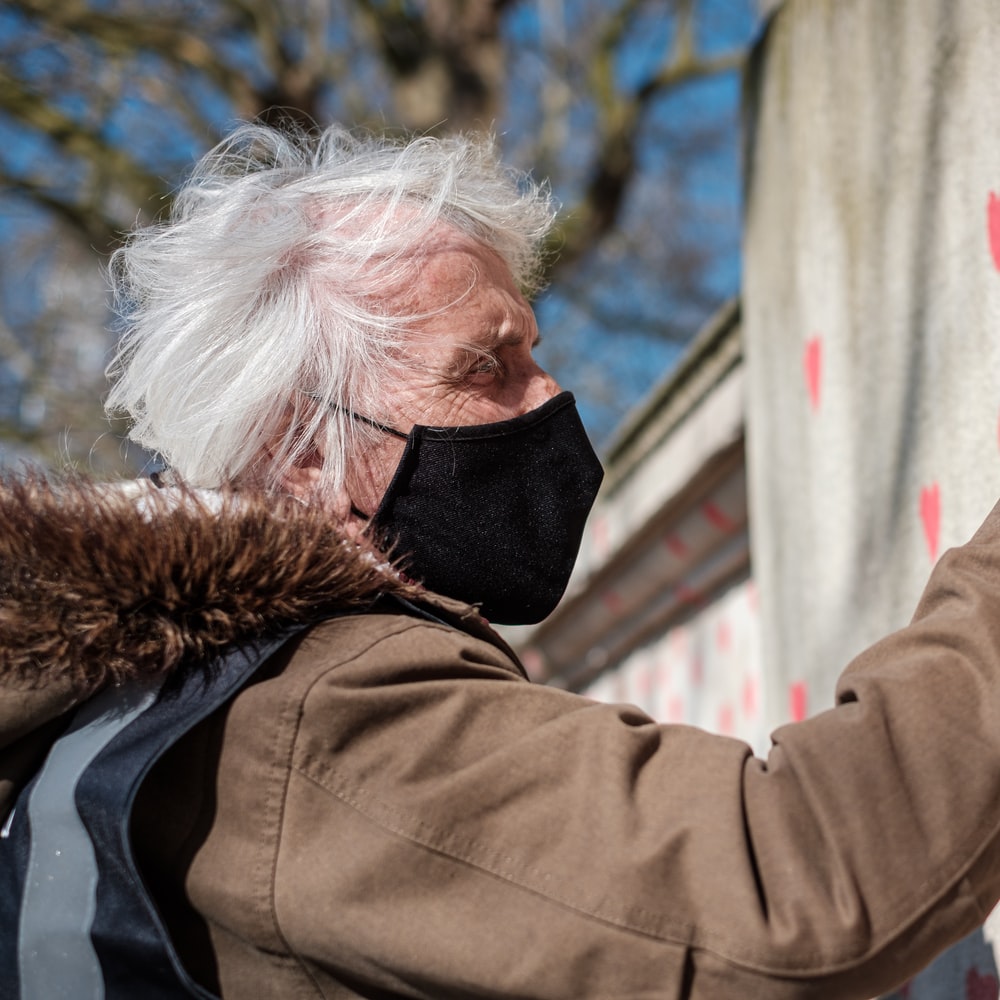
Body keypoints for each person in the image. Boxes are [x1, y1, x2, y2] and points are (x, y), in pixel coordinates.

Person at [2, 121, 1000, 1000]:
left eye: (532, 348)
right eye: (486, 367)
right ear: (302, 450)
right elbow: (797, 889)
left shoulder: (134, 708)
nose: (551, 394)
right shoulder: (314, 714)